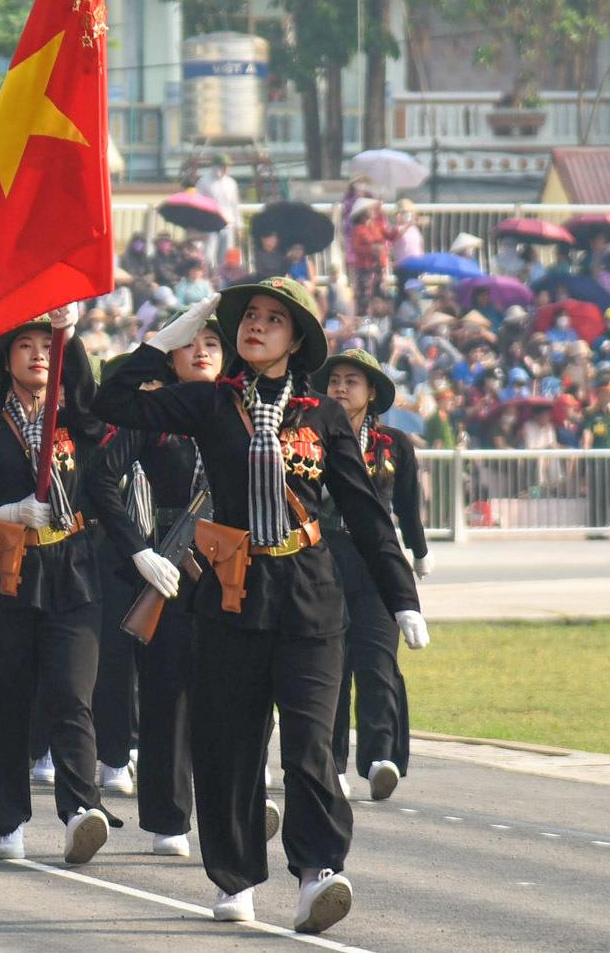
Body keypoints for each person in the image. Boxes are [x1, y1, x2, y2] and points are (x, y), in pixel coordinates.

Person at [93, 279, 430, 934]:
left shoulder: (324, 416)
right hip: (229, 594)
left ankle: (317, 874)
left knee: (308, 748)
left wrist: (400, 599)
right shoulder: (207, 403)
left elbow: (364, 513)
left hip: (309, 596)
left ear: (294, 339)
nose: (255, 326)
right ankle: (236, 873)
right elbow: (111, 399)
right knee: (229, 747)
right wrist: (168, 335)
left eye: (273, 319)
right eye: (248, 316)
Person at [0, 307, 120, 866]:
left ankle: (81, 810)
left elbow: (93, 404)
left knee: (70, 693)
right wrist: (1, 512)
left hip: (74, 569)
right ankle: (5, 820)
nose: (38, 354)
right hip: (7, 574)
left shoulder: (76, 422)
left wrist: (72, 333)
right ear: (6, 360)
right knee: (5, 699)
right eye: (26, 345)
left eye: (46, 345)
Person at [92, 311, 249, 860]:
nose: (203, 350)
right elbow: (100, 480)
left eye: (213, 341)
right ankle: (167, 815)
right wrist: (138, 550)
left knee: (235, 696)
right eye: (190, 343)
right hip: (173, 566)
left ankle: (233, 804)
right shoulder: (154, 416)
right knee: (168, 697)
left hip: (235, 566)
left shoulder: (246, 411)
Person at [314, 350, 432, 803]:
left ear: (371, 393)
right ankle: (333, 760)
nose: (341, 388)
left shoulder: (394, 443)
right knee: (333, 666)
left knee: (379, 659)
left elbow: (405, 506)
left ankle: (381, 756)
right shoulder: (309, 435)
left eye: (352, 382)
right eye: (335, 380)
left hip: (377, 561)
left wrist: (418, 553)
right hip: (323, 557)